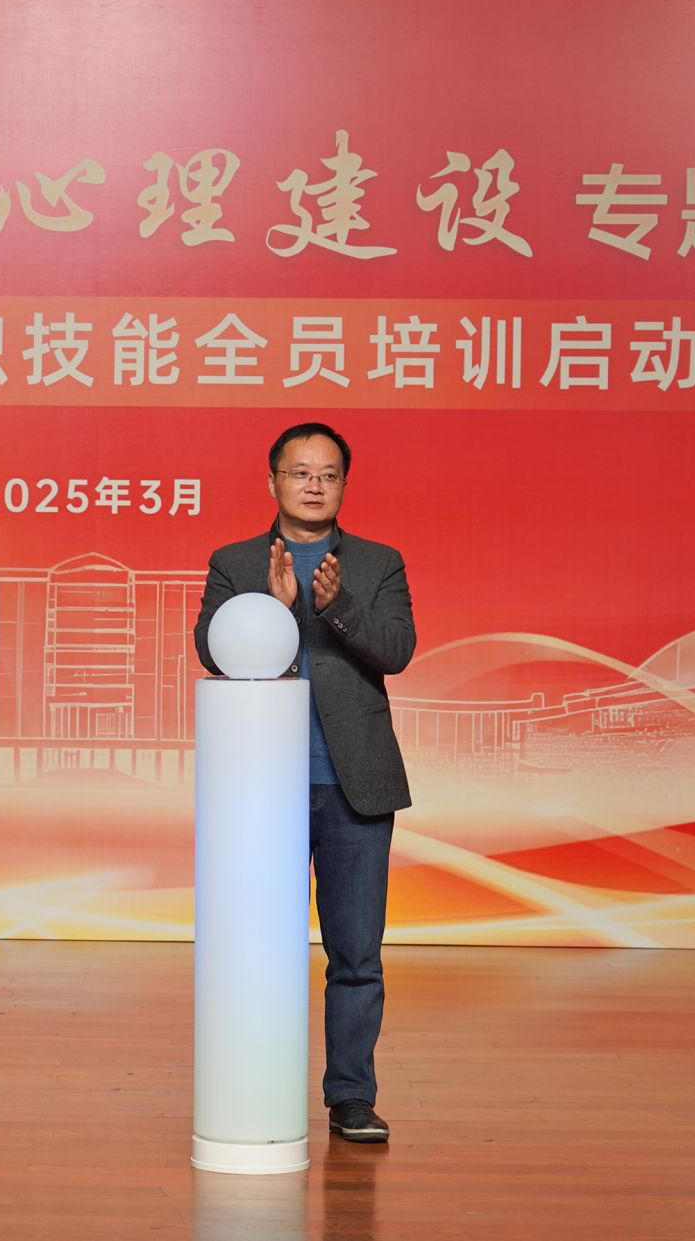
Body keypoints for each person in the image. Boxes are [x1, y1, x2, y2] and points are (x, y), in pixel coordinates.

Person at [192, 421, 416, 1145]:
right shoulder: (234, 562)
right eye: (299, 472)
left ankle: (351, 1096)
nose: (313, 485)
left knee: (356, 954)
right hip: (262, 792)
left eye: (328, 474)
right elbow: (212, 649)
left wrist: (335, 606)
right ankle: (260, 1093)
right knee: (260, 952)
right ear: (273, 482)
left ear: (344, 484)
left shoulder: (378, 562)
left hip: (354, 785)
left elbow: (397, 649)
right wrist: (277, 607)